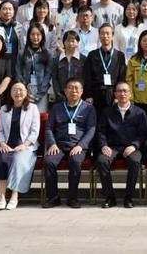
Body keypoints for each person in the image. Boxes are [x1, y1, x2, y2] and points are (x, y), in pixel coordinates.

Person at [43, 78, 96, 208]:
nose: (74, 91)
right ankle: (53, 197)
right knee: (49, 161)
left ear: (82, 91)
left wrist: (81, 145)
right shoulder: (56, 108)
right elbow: (49, 128)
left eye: (77, 88)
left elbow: (91, 130)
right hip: (59, 145)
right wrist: (52, 144)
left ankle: (72, 198)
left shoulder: (89, 109)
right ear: (65, 91)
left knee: (75, 161)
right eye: (70, 88)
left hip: (78, 146)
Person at [95, 82, 147, 208]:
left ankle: (129, 197)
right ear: (115, 94)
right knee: (102, 161)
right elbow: (100, 132)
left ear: (130, 94)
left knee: (135, 161)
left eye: (125, 91)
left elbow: (143, 134)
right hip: (112, 147)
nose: (122, 94)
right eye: (119, 91)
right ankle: (110, 197)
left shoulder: (139, 113)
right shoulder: (107, 112)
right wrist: (103, 145)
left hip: (131, 147)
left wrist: (134, 146)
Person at [0, 82, 40, 210]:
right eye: (14, 90)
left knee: (18, 160)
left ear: (26, 92)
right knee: (2, 161)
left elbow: (34, 131)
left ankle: (14, 196)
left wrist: (25, 145)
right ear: (10, 93)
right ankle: (2, 197)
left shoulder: (32, 108)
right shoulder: (4, 109)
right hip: (7, 146)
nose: (18, 92)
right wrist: (2, 143)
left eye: (21, 90)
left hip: (26, 146)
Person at [83, 24, 126, 115]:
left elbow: (121, 77)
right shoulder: (92, 55)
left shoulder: (119, 55)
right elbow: (87, 77)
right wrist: (89, 95)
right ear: (99, 36)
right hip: (96, 93)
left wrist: (118, 96)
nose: (105, 36)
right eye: (102, 33)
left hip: (113, 93)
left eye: (107, 33)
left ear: (112, 36)